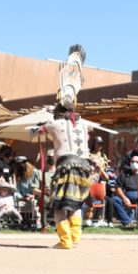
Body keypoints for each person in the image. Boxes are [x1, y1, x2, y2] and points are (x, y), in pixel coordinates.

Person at [30, 44, 92, 249]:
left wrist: (43, 120)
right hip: (84, 168)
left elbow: (32, 131)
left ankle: (65, 240)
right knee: (74, 204)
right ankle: (74, 238)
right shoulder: (84, 124)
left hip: (66, 166)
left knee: (58, 204)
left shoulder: (53, 123)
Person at [109, 154, 138, 227]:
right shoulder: (124, 173)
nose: (134, 163)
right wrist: (124, 198)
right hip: (126, 195)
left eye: (137, 162)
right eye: (133, 161)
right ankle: (127, 221)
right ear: (130, 163)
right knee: (115, 200)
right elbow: (118, 187)